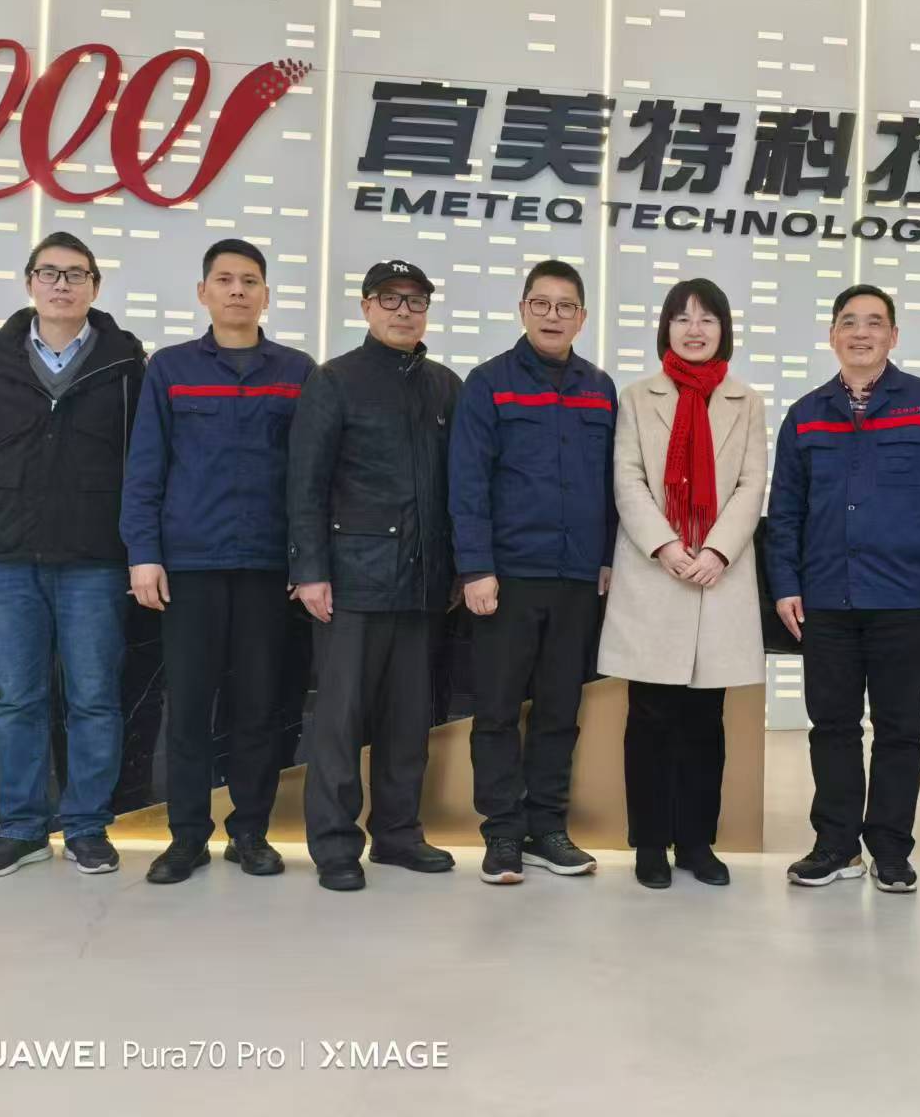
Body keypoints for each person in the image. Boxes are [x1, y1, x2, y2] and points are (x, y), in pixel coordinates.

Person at [0, 231, 147, 879]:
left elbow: (147, 465)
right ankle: (21, 829)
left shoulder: (126, 365)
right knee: (18, 701)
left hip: (95, 561)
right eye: (49, 273)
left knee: (94, 700)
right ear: (29, 282)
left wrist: (143, 550)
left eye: (75, 274)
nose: (61, 284)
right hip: (6, 561)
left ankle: (86, 827)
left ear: (95, 287)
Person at [766, 284, 920, 893]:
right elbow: (786, 512)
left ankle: (889, 848)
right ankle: (835, 846)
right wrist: (785, 585)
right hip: (826, 599)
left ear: (893, 336)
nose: (861, 333)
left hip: (904, 597)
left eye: (875, 323)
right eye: (850, 322)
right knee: (831, 726)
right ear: (833, 335)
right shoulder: (806, 414)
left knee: (899, 729)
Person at [120, 239, 315, 885]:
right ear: (203, 293)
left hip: (267, 566)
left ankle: (251, 833)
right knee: (190, 707)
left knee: (258, 707)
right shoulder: (170, 368)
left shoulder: (297, 371)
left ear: (266, 295)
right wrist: (143, 555)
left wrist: (306, 560)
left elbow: (310, 477)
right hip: (190, 566)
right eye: (225, 280)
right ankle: (186, 838)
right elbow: (145, 469)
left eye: (249, 280)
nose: (237, 290)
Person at [287, 260, 461, 892]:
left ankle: (398, 834)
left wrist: (458, 568)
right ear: (366, 307)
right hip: (352, 582)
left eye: (416, 301)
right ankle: (335, 844)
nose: (403, 311)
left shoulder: (445, 386)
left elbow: (461, 487)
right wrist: (310, 570)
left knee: (408, 721)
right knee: (340, 722)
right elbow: (305, 483)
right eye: (390, 299)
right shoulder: (334, 380)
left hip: (423, 583)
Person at [449, 259, 616, 885]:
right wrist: (475, 568)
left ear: (582, 317)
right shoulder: (488, 383)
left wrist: (607, 557)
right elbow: (467, 481)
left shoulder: (600, 389)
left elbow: (611, 484)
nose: (553, 316)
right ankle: (501, 833)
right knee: (496, 710)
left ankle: (547, 828)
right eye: (541, 304)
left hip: (576, 579)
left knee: (558, 709)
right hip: (508, 576)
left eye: (565, 306)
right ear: (522, 310)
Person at [597, 279, 767, 890]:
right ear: (665, 329)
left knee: (705, 719)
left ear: (724, 330)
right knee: (648, 717)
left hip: (719, 574)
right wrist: (667, 545)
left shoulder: (747, 401)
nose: (695, 329)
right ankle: (649, 843)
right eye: (682, 318)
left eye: (707, 319)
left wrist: (717, 550)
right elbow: (628, 479)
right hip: (655, 573)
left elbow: (752, 483)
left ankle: (697, 841)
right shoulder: (637, 397)